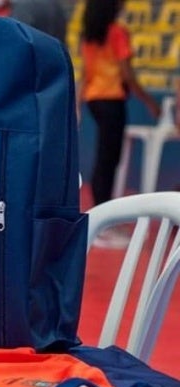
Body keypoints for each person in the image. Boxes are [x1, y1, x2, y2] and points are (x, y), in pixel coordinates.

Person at [78, 0, 160, 246]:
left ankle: (101, 219)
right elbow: (127, 73)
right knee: (108, 161)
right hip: (112, 100)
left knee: (104, 159)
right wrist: (149, 102)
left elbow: (86, 73)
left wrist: (78, 103)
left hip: (94, 99)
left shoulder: (89, 35)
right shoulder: (117, 32)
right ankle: (103, 223)